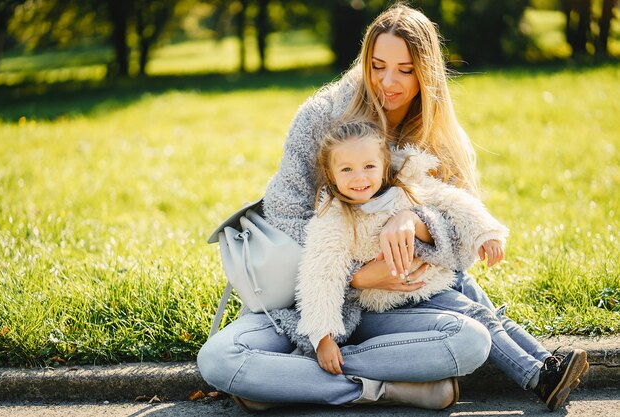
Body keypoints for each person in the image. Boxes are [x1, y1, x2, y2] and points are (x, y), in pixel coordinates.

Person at [198, 2, 588, 412]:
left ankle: (287, 380)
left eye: (405, 70)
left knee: (471, 339)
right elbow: (284, 211)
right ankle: (390, 387)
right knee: (219, 358)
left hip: (401, 307)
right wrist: (357, 275)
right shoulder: (320, 117)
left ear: (427, 72)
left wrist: (416, 220)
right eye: (378, 65)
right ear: (365, 60)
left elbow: (460, 248)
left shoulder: (438, 140)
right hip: (309, 301)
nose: (389, 82)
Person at [294, 120, 509, 366]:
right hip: (404, 297)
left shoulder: (406, 188)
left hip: (441, 279)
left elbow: (454, 201)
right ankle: (536, 375)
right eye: (346, 170)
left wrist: (486, 233)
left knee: (497, 320)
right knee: (480, 316)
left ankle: (545, 364)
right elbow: (321, 276)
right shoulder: (335, 219)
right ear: (331, 174)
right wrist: (323, 337)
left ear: (384, 166)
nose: (359, 177)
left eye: (369, 166)